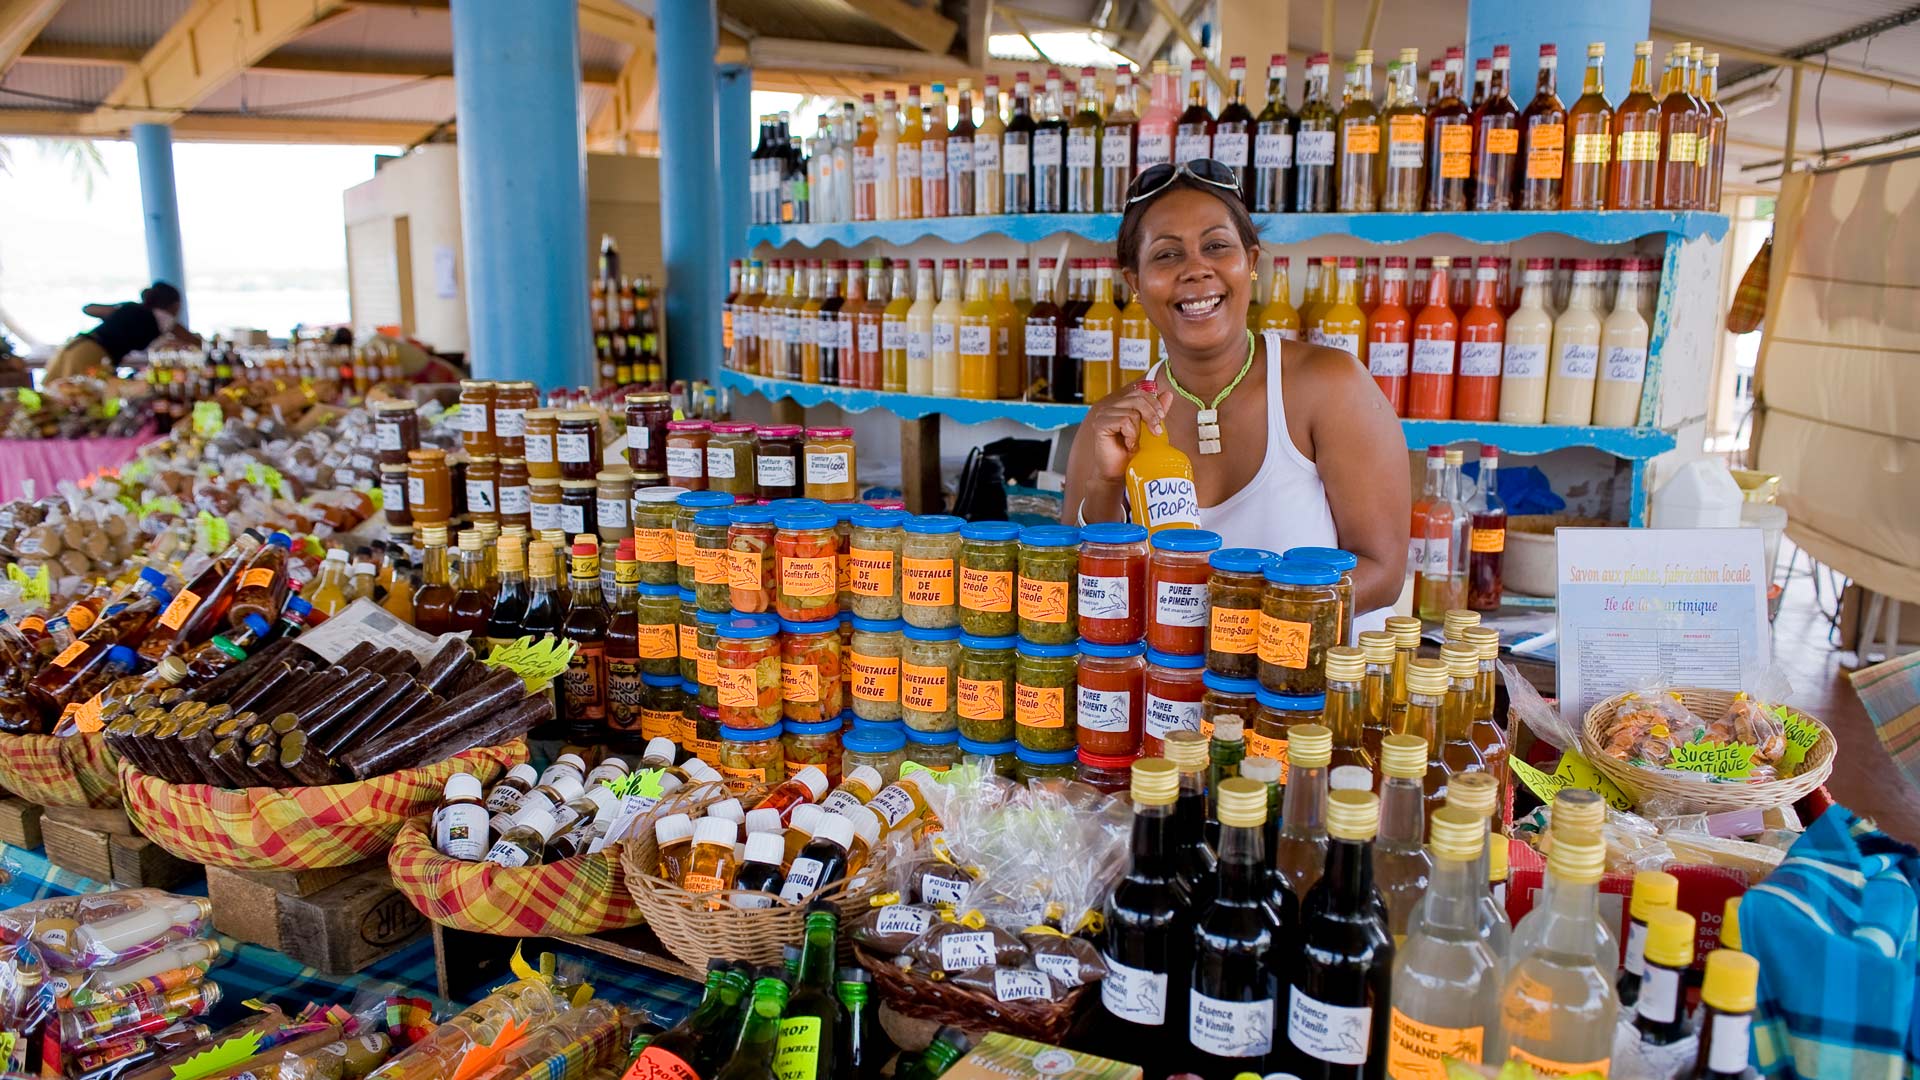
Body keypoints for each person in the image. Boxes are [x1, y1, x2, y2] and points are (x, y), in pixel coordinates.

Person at [1062, 161, 1410, 630]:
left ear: (1251, 262)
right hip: (1170, 679)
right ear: (1135, 284)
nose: (1195, 269)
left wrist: (1240, 628)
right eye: (1166, 255)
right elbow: (1085, 590)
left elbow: (1383, 573)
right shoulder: (1112, 424)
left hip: (1312, 675)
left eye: (1216, 246)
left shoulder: (1330, 385)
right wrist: (1106, 484)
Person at [46, 282, 200, 379]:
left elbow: (89, 309)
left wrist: (117, 311)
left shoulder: (131, 308)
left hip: (74, 346)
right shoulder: (164, 318)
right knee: (77, 396)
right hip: (92, 354)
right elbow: (195, 341)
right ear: (174, 305)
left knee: (58, 392)